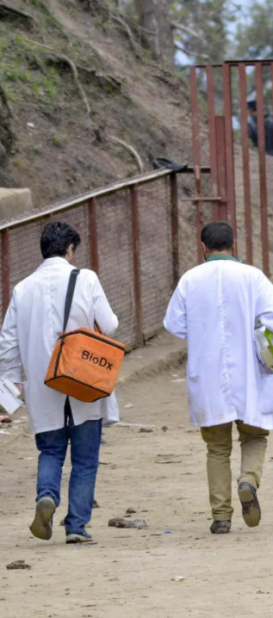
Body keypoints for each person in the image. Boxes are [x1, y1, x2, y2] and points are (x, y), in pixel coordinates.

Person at [164, 222, 273, 534]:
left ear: (203, 247)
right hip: (250, 374)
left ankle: (221, 516)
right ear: (233, 244)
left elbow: (174, 324)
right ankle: (248, 480)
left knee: (217, 448)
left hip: (207, 375)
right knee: (255, 436)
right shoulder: (252, 277)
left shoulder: (190, 280)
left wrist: (201, 331)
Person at [0, 221, 119, 544]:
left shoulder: (22, 289)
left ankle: (47, 496)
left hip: (43, 384)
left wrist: (11, 389)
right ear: (69, 249)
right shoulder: (86, 279)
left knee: (50, 450)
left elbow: (7, 344)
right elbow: (109, 325)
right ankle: (77, 527)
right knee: (85, 459)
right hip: (84, 379)